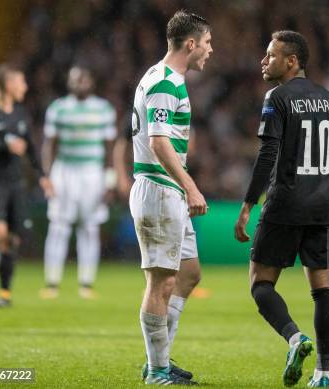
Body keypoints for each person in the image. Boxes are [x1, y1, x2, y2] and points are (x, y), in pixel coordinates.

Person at [234, 31, 329, 388]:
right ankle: (323, 374)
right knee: (323, 290)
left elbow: (267, 155)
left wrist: (248, 204)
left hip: (286, 203)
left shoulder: (277, 97)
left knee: (261, 284)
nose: (264, 61)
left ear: (292, 61)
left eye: (271, 55)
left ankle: (295, 338)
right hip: (323, 207)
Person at [130, 10, 211, 385]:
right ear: (190, 44)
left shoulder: (164, 77)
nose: (210, 50)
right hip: (160, 190)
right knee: (160, 283)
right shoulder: (165, 82)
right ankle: (157, 370)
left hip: (169, 191)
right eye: (207, 43)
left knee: (188, 274)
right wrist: (190, 185)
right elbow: (158, 142)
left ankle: (158, 360)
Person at [0, 63, 53, 308]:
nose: (25, 86)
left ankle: (4, 293)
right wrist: (3, 146)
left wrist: (42, 175)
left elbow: (31, 147)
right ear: (7, 84)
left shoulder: (20, 112)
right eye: (21, 82)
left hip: (15, 183)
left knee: (12, 239)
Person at [39, 66, 117, 300]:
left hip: (92, 172)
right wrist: (47, 175)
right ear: (69, 82)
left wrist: (110, 180)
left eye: (84, 79)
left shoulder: (103, 109)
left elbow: (110, 148)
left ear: (91, 82)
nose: (80, 83)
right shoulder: (58, 108)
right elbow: (49, 144)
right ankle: (52, 283)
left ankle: (86, 283)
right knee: (59, 226)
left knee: (90, 228)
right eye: (75, 79)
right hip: (65, 171)